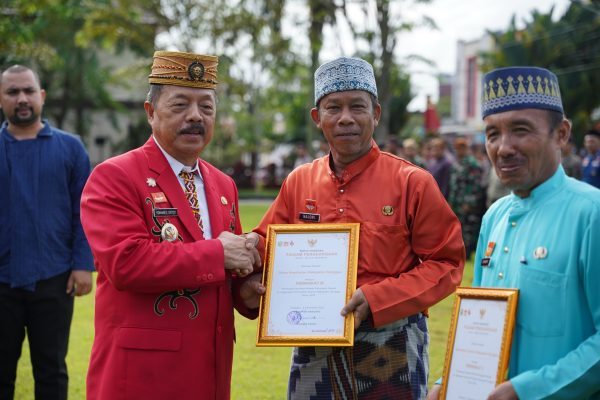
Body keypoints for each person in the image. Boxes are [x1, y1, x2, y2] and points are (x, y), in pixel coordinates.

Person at [248, 57, 465, 399]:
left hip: (391, 340)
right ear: (317, 118)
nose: (346, 118)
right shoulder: (299, 182)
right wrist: (247, 260)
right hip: (313, 343)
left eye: (358, 107)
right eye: (333, 107)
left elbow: (447, 264)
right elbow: (266, 245)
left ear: (375, 113)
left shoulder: (412, 183)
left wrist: (380, 298)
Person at [80, 51, 264, 400]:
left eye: (206, 108)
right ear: (151, 113)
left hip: (209, 370)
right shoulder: (115, 176)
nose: (195, 116)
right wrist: (219, 254)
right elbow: (126, 263)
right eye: (180, 105)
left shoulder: (224, 185)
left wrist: (247, 291)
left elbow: (229, 274)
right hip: (141, 376)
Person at [429, 66, 600, 399]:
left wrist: (529, 389)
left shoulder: (591, 213)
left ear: (561, 134)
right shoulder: (495, 216)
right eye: (493, 134)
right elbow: (481, 323)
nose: (503, 147)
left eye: (521, 130)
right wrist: (447, 381)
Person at [0, 65, 94, 399]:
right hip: (2, 281)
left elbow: (83, 212)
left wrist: (83, 264)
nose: (21, 99)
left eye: (28, 91)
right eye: (12, 92)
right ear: (1, 98)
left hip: (54, 278)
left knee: (52, 370)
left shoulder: (71, 149)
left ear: (41, 96)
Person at [447, 136, 484, 259]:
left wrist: (469, 202)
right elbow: (452, 184)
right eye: (457, 148)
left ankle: (467, 253)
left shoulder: (472, 164)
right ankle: (459, 251)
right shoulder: (456, 163)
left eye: (461, 148)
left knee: (468, 229)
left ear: (465, 148)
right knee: (458, 227)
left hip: (467, 203)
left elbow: (475, 185)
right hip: (456, 202)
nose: (459, 151)